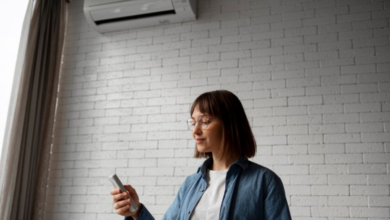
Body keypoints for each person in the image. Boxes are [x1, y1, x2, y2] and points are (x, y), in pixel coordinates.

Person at [110, 90, 292, 220]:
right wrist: (136, 212)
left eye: (204, 121)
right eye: (193, 122)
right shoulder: (191, 184)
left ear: (230, 124)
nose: (195, 131)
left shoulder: (265, 181)